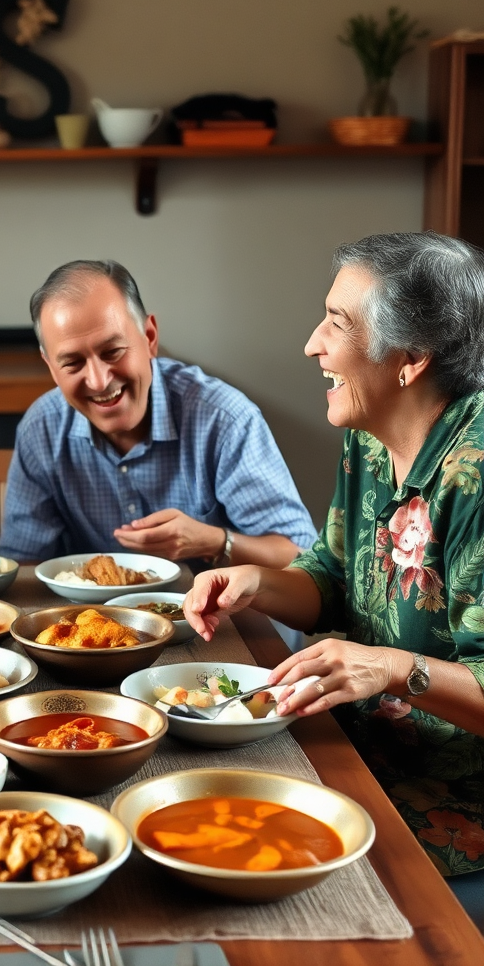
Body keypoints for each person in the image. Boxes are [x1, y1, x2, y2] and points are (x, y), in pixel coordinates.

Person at [184, 233, 484, 915]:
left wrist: (389, 667)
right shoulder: (370, 435)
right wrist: (255, 583)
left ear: (409, 360)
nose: (312, 345)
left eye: (336, 323)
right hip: (350, 759)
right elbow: (330, 577)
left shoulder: (477, 478)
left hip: (448, 813)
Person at [0, 259, 316, 569]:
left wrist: (215, 542)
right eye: (72, 363)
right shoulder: (40, 429)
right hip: (98, 620)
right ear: (51, 367)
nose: (98, 380)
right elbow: (23, 565)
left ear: (149, 337)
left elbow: (301, 558)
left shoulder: (225, 420)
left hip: (229, 619)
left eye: (112, 352)